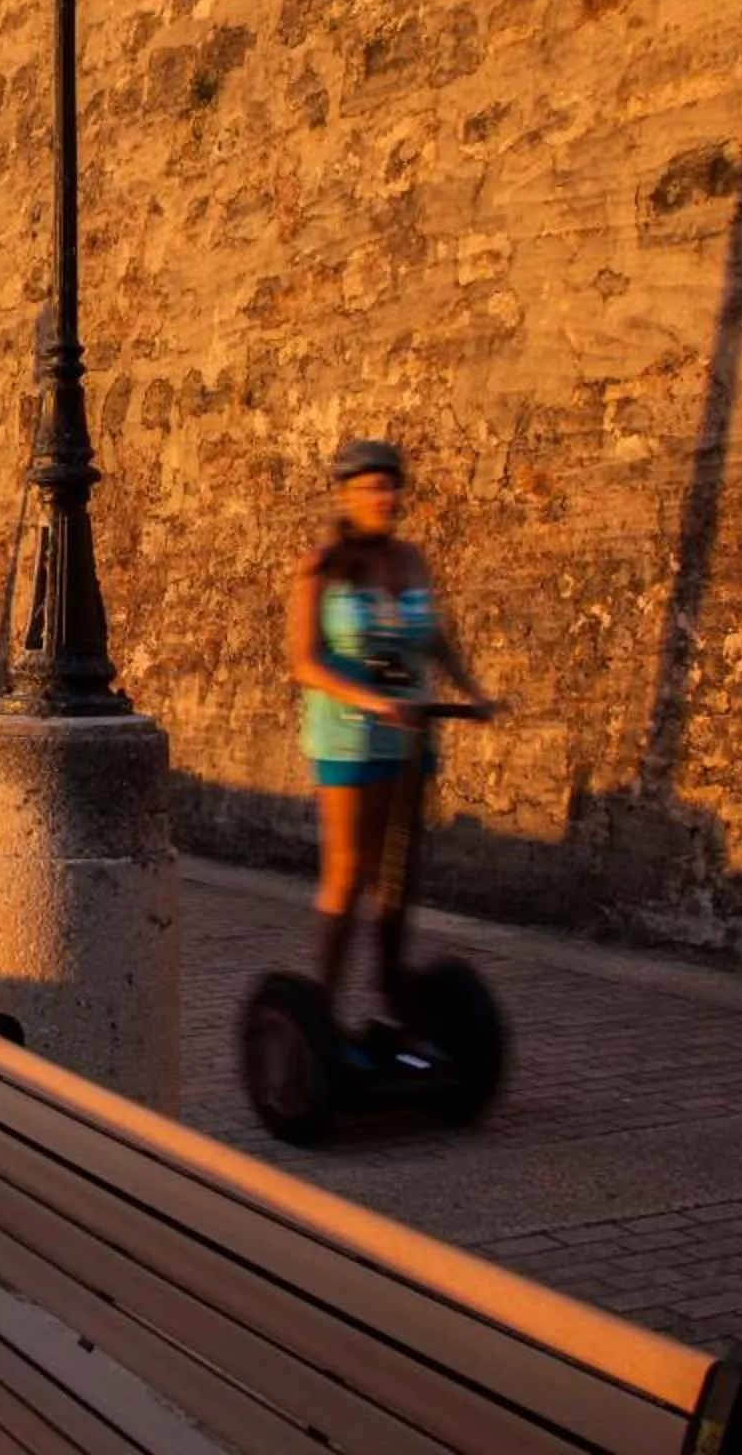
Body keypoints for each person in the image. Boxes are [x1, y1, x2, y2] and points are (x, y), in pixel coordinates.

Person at [287, 439, 497, 1040]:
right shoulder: (321, 566)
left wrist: (471, 692)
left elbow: (435, 639)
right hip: (348, 736)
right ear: (347, 496)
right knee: (350, 870)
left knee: (399, 873)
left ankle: (390, 988)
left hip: (408, 733)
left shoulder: (410, 561)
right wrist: (369, 699)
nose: (385, 497)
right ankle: (320, 1008)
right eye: (372, 488)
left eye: (391, 486)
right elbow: (305, 662)